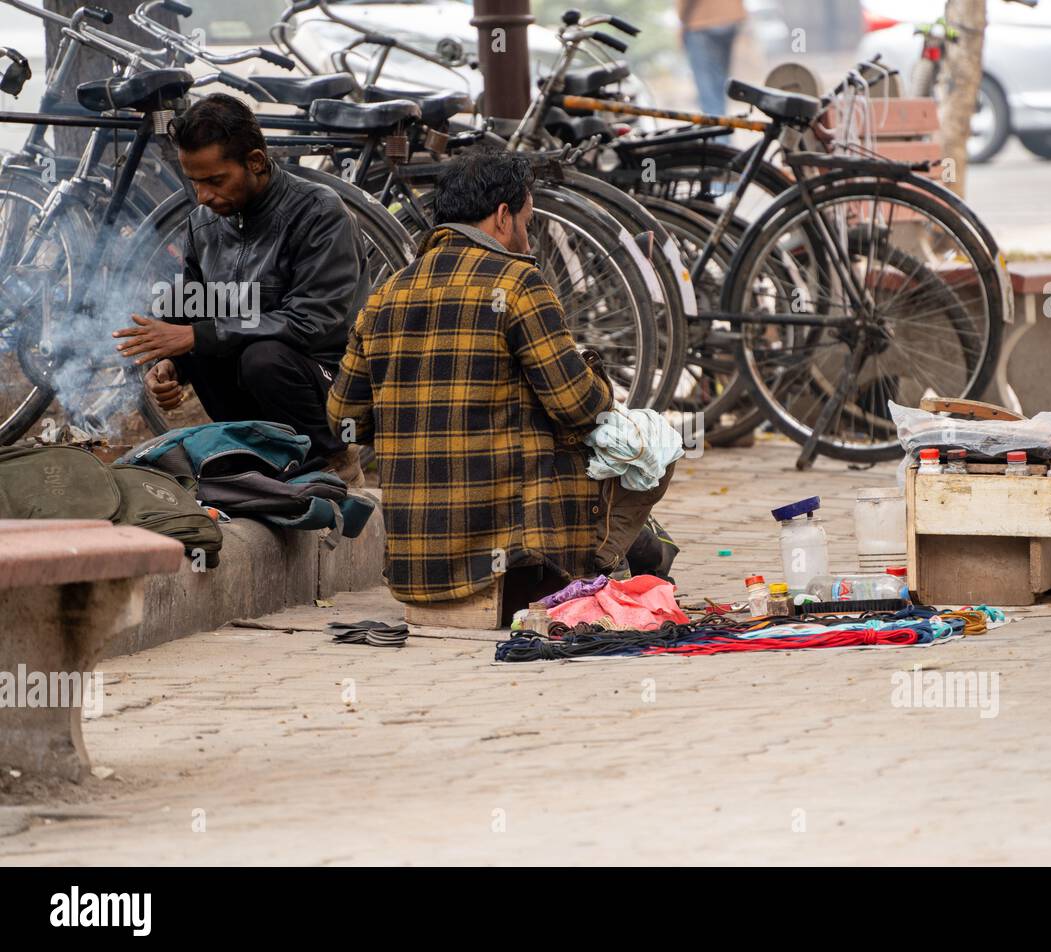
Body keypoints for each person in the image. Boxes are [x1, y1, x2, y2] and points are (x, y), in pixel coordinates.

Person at [327, 151, 674, 607]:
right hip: (521, 571)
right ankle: (600, 565)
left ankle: (635, 551)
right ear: (503, 216)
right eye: (527, 221)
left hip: (415, 572)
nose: (527, 236)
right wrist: (595, 377)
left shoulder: (386, 295)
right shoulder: (518, 284)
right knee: (656, 441)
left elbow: (344, 418)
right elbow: (580, 406)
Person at [113, 94, 367, 486]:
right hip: (258, 370)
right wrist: (170, 366)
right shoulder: (203, 223)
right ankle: (256, 455)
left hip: (328, 376)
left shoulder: (319, 212)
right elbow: (196, 307)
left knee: (262, 357)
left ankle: (334, 459)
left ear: (256, 162)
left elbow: (311, 323)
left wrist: (195, 335)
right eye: (194, 181)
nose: (203, 196)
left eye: (215, 181)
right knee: (203, 347)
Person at [677, 0, 746, 117]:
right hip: (730, 16)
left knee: (710, 92)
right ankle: (724, 129)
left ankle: (719, 133)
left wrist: (681, 20)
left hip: (701, 21)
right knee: (720, 84)